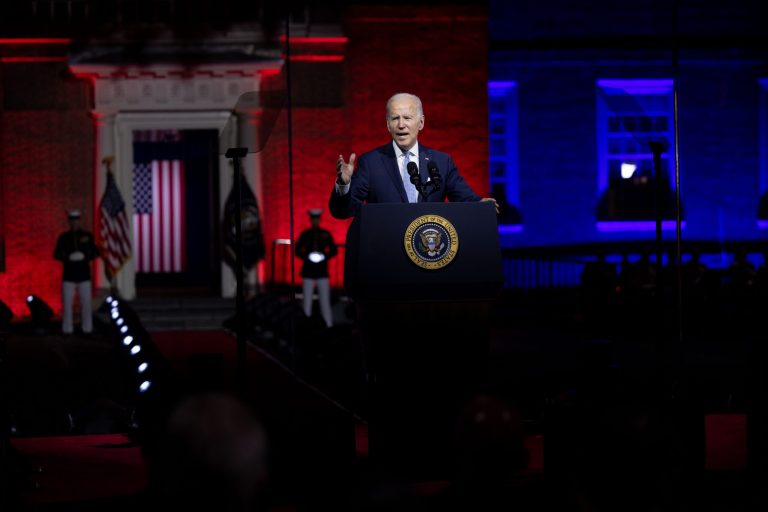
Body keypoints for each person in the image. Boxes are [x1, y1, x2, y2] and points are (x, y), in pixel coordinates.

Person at [329, 92, 498, 219]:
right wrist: (344, 185)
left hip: (428, 253)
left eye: (407, 118)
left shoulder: (441, 162)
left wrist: (481, 206)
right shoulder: (371, 162)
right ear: (388, 125)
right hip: (386, 251)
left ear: (421, 123)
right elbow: (342, 212)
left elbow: (465, 200)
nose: (401, 125)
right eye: (395, 119)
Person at [53, 210, 99, 335]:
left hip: (84, 275)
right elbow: (56, 254)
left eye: (76, 220)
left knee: (86, 304)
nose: (74, 223)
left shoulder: (87, 236)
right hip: (68, 275)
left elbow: (95, 252)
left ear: (79, 221)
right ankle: (67, 329)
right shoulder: (63, 237)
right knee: (67, 304)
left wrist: (85, 256)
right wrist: (68, 256)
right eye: (72, 220)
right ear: (69, 222)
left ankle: (87, 328)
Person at [295, 208, 338, 328]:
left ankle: (329, 325)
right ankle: (305, 326)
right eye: (313, 219)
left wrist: (324, 256)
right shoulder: (305, 234)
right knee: (306, 301)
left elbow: (334, 250)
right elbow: (297, 250)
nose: (315, 221)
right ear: (311, 220)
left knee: (325, 300)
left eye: (317, 219)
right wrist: (307, 256)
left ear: (319, 220)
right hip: (308, 271)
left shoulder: (326, 234)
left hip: (322, 271)